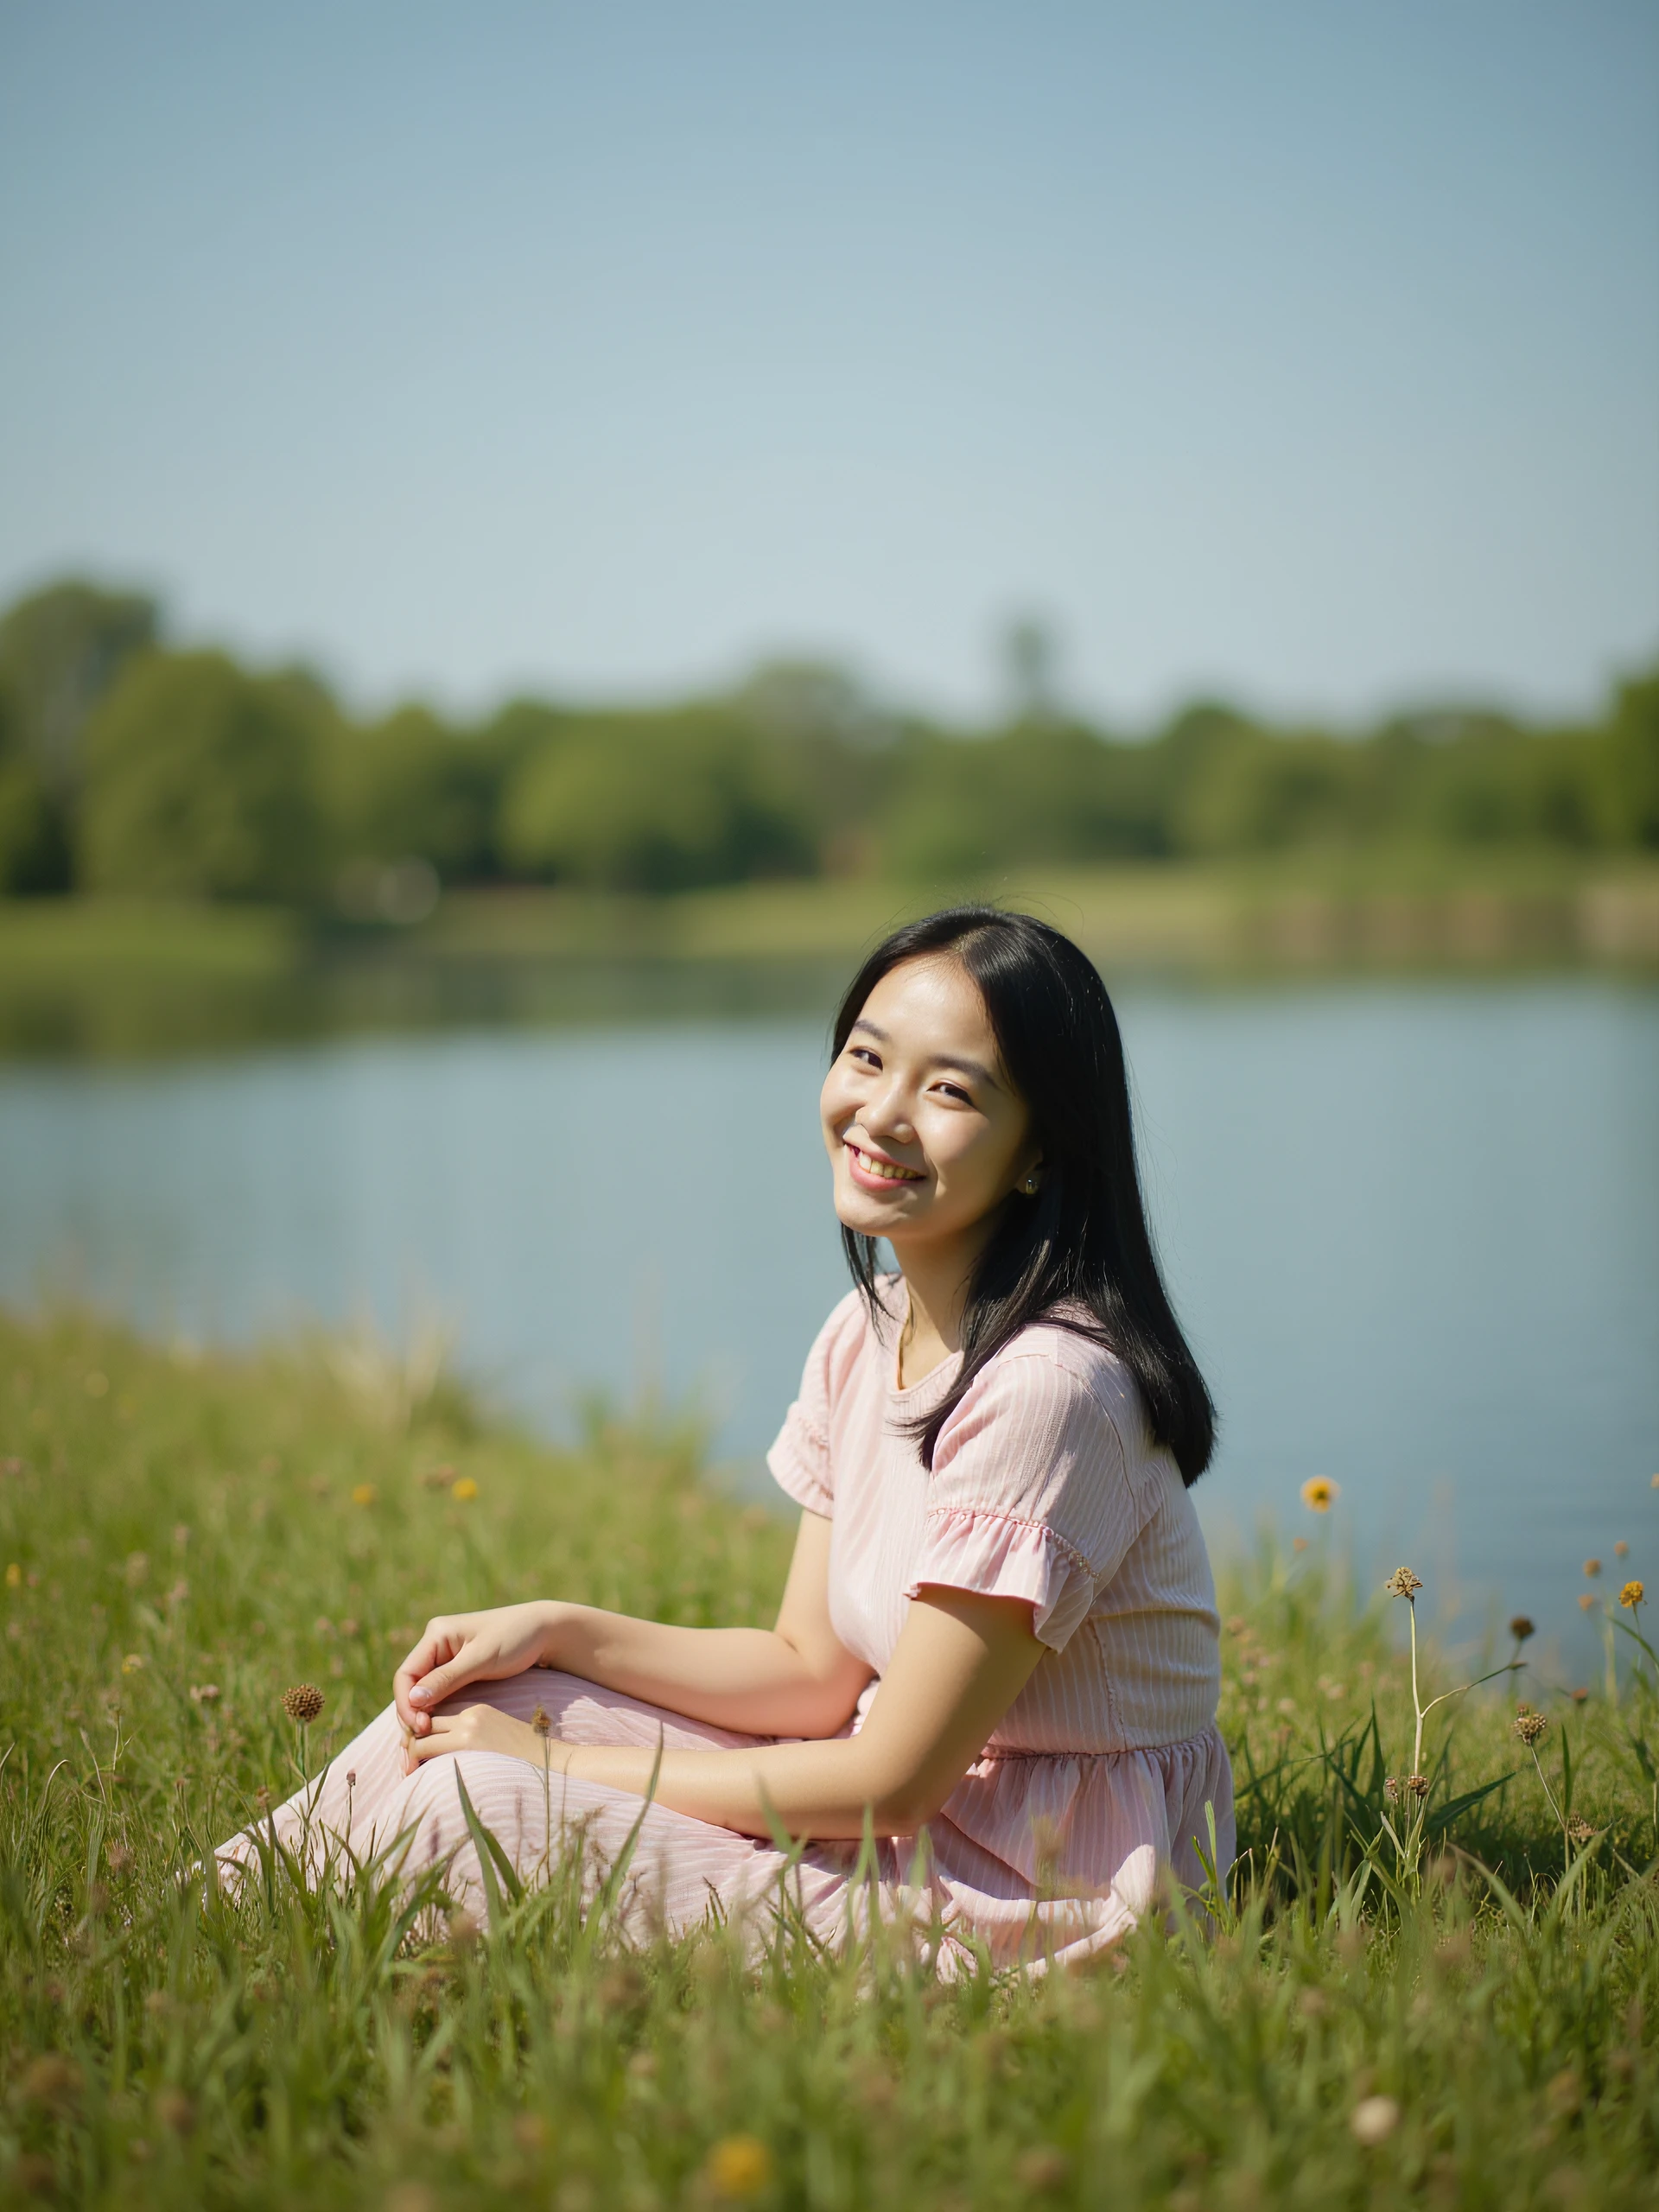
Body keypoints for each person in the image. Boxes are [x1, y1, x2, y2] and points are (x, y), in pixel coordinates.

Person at [217, 908, 1232, 1974]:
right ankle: (212, 1920)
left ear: (1040, 1149)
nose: (880, 1114)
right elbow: (807, 1673)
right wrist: (557, 1630)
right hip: (903, 1808)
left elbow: (894, 1782)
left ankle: (246, 1963)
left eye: (950, 1090)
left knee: (484, 1798)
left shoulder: (1049, 1391)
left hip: (1045, 1878)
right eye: (866, 1057)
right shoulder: (868, 1330)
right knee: (477, 1703)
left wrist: (555, 1769)